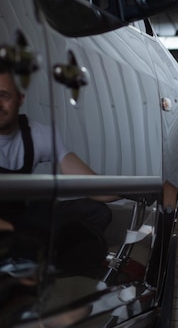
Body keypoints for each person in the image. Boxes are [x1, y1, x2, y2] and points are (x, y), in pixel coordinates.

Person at [0, 66, 112, 268]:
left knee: (96, 212)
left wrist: (145, 189)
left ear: (20, 99)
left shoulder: (38, 135)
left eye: (4, 96)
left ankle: (64, 268)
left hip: (20, 221)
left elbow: (92, 186)